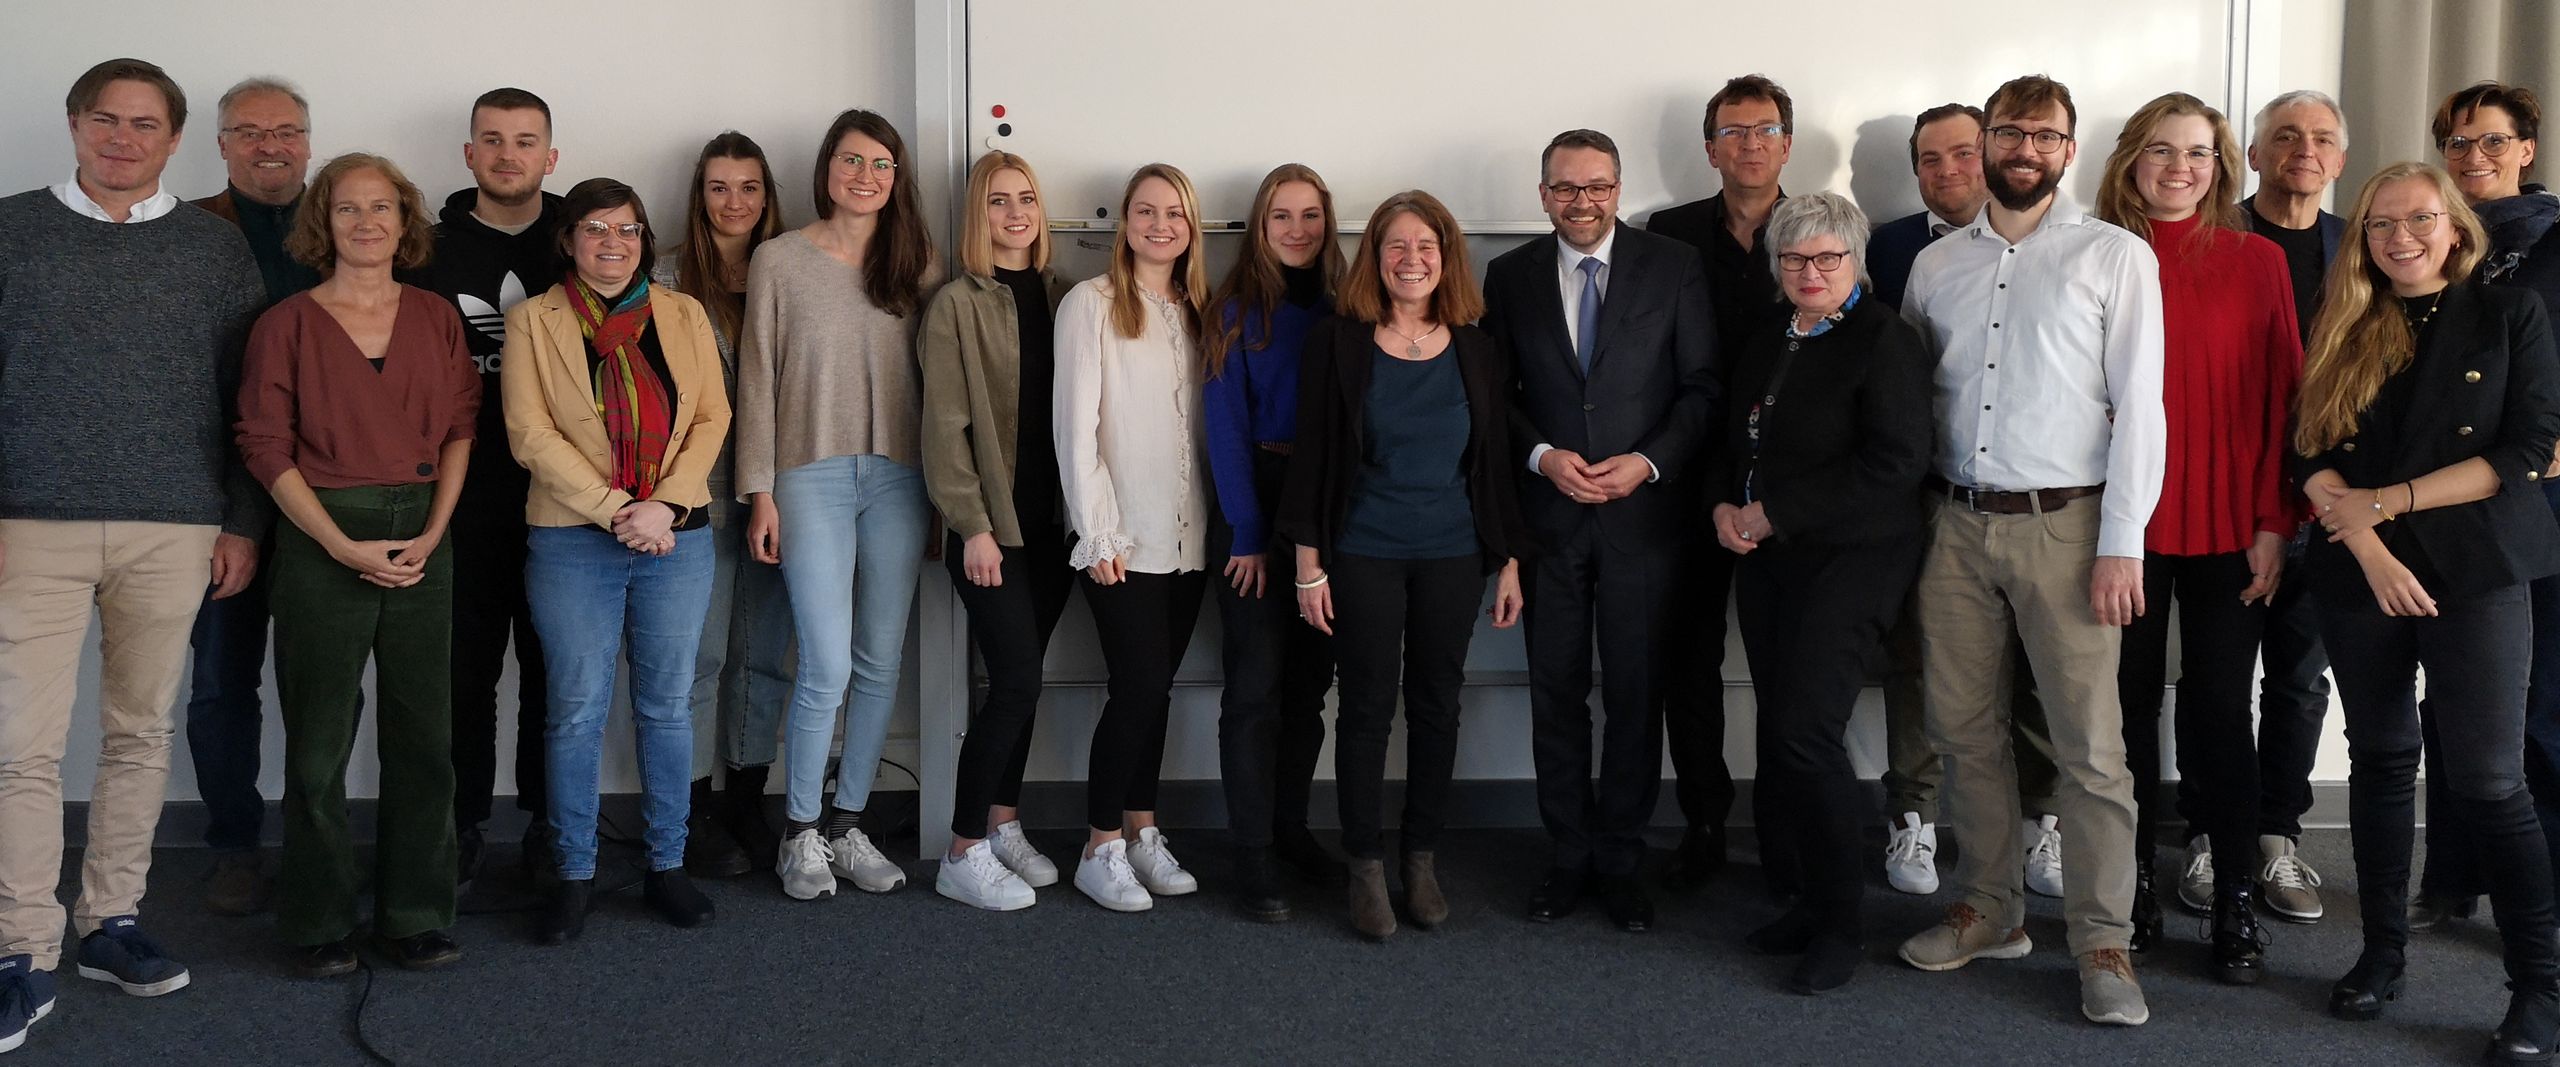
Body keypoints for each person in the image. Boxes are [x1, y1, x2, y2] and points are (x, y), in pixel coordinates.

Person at [0, 58, 269, 1053]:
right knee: (19, 747)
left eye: (144, 124)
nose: (123, 139)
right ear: (74, 126)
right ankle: (18, 949)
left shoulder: (214, 249)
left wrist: (242, 521)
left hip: (176, 525)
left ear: (174, 137)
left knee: (138, 732)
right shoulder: (10, 229)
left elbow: (248, 401)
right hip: (29, 523)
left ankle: (109, 920)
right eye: (104, 120)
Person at [1892, 74, 2163, 1028]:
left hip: (2071, 526)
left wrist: (2122, 541)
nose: (2022, 149)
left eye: (2043, 136)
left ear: (2067, 150)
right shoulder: (1936, 267)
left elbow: (2142, 409)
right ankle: (1990, 907)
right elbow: (1912, 403)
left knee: (2091, 750)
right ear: (1984, 144)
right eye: (2007, 132)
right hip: (1955, 524)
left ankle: (2101, 940)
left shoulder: (2115, 256)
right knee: (1963, 729)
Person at [2295, 161, 2560, 1063]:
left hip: (2477, 567)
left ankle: (2539, 990)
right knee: (2378, 761)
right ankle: (2381, 954)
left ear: (2455, 227)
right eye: (2378, 223)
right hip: (2359, 568)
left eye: (2417, 219)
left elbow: (2525, 449)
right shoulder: (2341, 321)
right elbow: (2309, 453)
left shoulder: (2508, 313)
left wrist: (2388, 503)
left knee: (2491, 779)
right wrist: (2366, 543)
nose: (2397, 236)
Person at [235, 153, 477, 977]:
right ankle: (317, 920)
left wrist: (434, 533)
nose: (367, 222)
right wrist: (339, 545)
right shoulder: (286, 325)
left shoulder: (438, 317)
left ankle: (414, 913)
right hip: (320, 540)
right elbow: (264, 448)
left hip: (424, 542)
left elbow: (458, 431)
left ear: (406, 221)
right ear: (322, 223)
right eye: (347, 209)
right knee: (317, 743)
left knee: (423, 739)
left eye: (383, 208)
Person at [1278, 190, 1529, 941]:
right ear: (1374, 258)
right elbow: (1315, 455)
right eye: (1396, 245)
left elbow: (1495, 466)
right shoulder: (1338, 341)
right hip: (1364, 552)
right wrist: (1308, 565)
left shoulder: (1478, 345)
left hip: (1454, 552)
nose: (1411, 259)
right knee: (1364, 708)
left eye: (1426, 245)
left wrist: (1510, 558)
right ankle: (1364, 864)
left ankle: (1419, 859)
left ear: (1447, 256)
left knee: (1437, 705)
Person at [2091, 92, 2302, 979]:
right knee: (2126, 712)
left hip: (2229, 525)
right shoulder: (2093, 254)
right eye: (2163, 150)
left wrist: (2271, 522)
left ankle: (2235, 905)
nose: (2181, 168)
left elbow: (2283, 398)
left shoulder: (2258, 261)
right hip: (2122, 526)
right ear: (2131, 158)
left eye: (2202, 153)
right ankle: (2133, 888)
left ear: (2222, 167)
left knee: (2221, 711)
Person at [1484, 128, 1717, 932]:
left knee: (1634, 694)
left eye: (1597, 187)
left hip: (1643, 523)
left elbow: (1701, 389)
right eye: (1565, 188)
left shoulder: (1674, 266)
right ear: (1543, 192)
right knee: (1554, 694)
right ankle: (1567, 854)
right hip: (1548, 522)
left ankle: (1620, 857)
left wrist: (1648, 463)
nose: (1582, 202)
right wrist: (1543, 455)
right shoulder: (1508, 275)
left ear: (1618, 189)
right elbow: (1495, 396)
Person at [1710, 192, 1931, 994]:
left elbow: (1894, 462)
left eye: (1826, 258)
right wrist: (1725, 506)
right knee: (1783, 732)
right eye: (1794, 258)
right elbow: (1736, 437)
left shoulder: (1885, 340)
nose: (1809, 272)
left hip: (1854, 561)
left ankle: (1841, 925)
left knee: (1807, 733)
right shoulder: (1769, 335)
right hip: (1769, 561)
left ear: (1855, 262)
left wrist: (1774, 512)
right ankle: (1807, 901)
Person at [505, 178, 731, 943]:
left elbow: (712, 415)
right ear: (568, 238)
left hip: (677, 535)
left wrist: (663, 506)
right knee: (574, 710)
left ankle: (667, 863)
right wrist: (616, 510)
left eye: (628, 229)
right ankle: (573, 871)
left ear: (645, 238)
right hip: (573, 539)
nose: (612, 242)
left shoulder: (683, 314)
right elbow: (530, 435)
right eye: (595, 229)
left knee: (667, 705)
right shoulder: (534, 320)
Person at [1868, 102, 2068, 904]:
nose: (1947, 171)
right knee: (1919, 661)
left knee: (2032, 664)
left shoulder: (2067, 244)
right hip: (1922, 494)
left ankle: (2041, 822)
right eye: (1929, 160)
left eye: (1961, 153)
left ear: (1988, 152)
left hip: (2034, 497)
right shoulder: (1888, 249)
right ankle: (1911, 813)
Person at [738, 109, 939, 901]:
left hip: (899, 477)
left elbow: (940, 384)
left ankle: (850, 821)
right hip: (807, 475)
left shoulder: (918, 263)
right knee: (823, 661)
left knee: (880, 658)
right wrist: (759, 492)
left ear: (897, 178)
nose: (865, 176)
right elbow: (756, 378)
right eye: (851, 161)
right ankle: (800, 832)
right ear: (826, 169)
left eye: (881, 164)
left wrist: (945, 499)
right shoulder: (779, 260)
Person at [2195, 88, 2349, 927]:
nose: (2303, 148)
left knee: (2297, 677)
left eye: (2322, 137)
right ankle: (2214, 837)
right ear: (2251, 156)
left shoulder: (2363, 246)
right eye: (2284, 135)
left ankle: (2276, 835)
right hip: (2230, 497)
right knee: (2218, 682)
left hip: (2326, 505)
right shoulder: (2217, 242)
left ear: (2341, 160)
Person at [404, 87, 565, 888]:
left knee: (553, 671)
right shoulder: (424, 250)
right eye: (492, 140)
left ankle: (548, 822)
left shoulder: (581, 240)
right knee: (462, 672)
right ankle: (460, 824)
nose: (508, 154)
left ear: (550, 156)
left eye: (525, 141)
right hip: (457, 499)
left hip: (565, 502)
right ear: (468, 153)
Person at [2413, 81, 2560, 935]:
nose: (2475, 158)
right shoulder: (2438, 243)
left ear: (2527, 150)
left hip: (2540, 505)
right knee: (2452, 701)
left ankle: (2535, 897)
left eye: (2492, 142)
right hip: (2448, 506)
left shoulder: (2552, 244)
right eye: (2459, 144)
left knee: (2538, 708)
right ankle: (2451, 878)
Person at [1054, 163, 1215, 913]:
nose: (1160, 225)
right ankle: (1100, 844)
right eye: (1145, 211)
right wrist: (1098, 529)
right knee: (1138, 688)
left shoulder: (1200, 308)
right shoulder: (1091, 304)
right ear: (1123, 223)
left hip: (1190, 538)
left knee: (1158, 693)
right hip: (1121, 537)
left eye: (1174, 212)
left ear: (1192, 225)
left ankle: (1144, 829)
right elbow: (1075, 428)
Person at [1643, 75, 1791, 888]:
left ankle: (1782, 834)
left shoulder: (1823, 230)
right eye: (1733, 132)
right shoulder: (1665, 237)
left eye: (1765, 130)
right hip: (1691, 484)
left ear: (1787, 146)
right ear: (1710, 149)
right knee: (1687, 664)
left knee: (1785, 671)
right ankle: (1703, 821)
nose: (1749, 145)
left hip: (1790, 491)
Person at [184, 75, 324, 917]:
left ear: (309, 140)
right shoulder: (187, 229)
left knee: (322, 679)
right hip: (212, 493)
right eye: (249, 131)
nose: (269, 145)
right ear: (222, 143)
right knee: (219, 682)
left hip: (325, 490)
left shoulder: (343, 223)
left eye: (286, 130)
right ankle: (233, 841)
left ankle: (318, 835)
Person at [920, 150, 1073, 911]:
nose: (1015, 214)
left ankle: (1003, 821)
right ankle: (962, 849)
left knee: (1029, 678)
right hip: (992, 531)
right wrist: (970, 527)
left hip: (1054, 529)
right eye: (997, 202)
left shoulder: (1064, 294)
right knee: (1012, 682)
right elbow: (945, 428)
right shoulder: (957, 303)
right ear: (976, 216)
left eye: (1027, 199)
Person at [1204, 163, 1348, 920]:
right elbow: (1224, 432)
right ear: (1259, 228)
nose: (1297, 230)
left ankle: (1292, 829)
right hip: (1252, 507)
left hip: (1322, 511)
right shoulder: (1234, 311)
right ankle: (1251, 850)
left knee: (1308, 689)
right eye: (1281, 217)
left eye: (1311, 216)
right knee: (1254, 687)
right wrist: (1251, 536)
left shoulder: (1345, 308)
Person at [650, 131, 796, 877]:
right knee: (698, 656)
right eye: (718, 187)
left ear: (767, 195)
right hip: (694, 491)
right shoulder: (666, 277)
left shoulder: (793, 267)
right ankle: (693, 809)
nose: (734, 201)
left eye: (748, 187)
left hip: (778, 486)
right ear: (698, 195)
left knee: (764, 654)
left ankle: (747, 795)